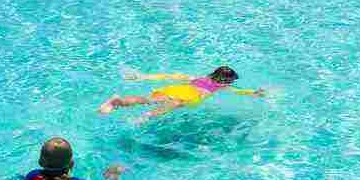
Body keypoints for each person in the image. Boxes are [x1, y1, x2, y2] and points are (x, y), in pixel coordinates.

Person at [98, 65, 264, 121]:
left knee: (145, 99)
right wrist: (253, 93)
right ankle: (144, 117)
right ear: (223, 80)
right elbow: (238, 91)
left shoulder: (197, 78)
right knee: (174, 104)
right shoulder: (219, 86)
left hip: (176, 90)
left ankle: (115, 102)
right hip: (186, 96)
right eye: (230, 81)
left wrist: (143, 76)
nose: (230, 83)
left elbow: (171, 76)